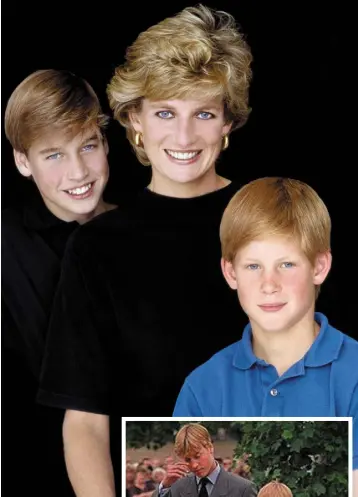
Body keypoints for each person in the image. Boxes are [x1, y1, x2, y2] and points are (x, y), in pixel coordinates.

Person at [37, 4, 253, 495]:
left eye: (203, 112)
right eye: (164, 112)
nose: (182, 136)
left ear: (228, 123)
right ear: (134, 119)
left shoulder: (274, 217)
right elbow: (85, 424)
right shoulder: (96, 249)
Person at [172, 177, 358, 492]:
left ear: (319, 266)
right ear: (230, 272)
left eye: (286, 264)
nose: (269, 284)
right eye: (253, 266)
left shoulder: (353, 374)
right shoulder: (202, 387)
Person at [2, 68, 115, 496]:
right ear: (22, 162)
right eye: (54, 155)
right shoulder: (5, 245)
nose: (78, 171)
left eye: (88, 146)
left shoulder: (139, 231)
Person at [152, 423, 257, 497]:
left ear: (210, 447)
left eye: (197, 456)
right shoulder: (178, 486)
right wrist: (164, 486)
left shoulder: (243, 489)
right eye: (187, 460)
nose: (194, 465)